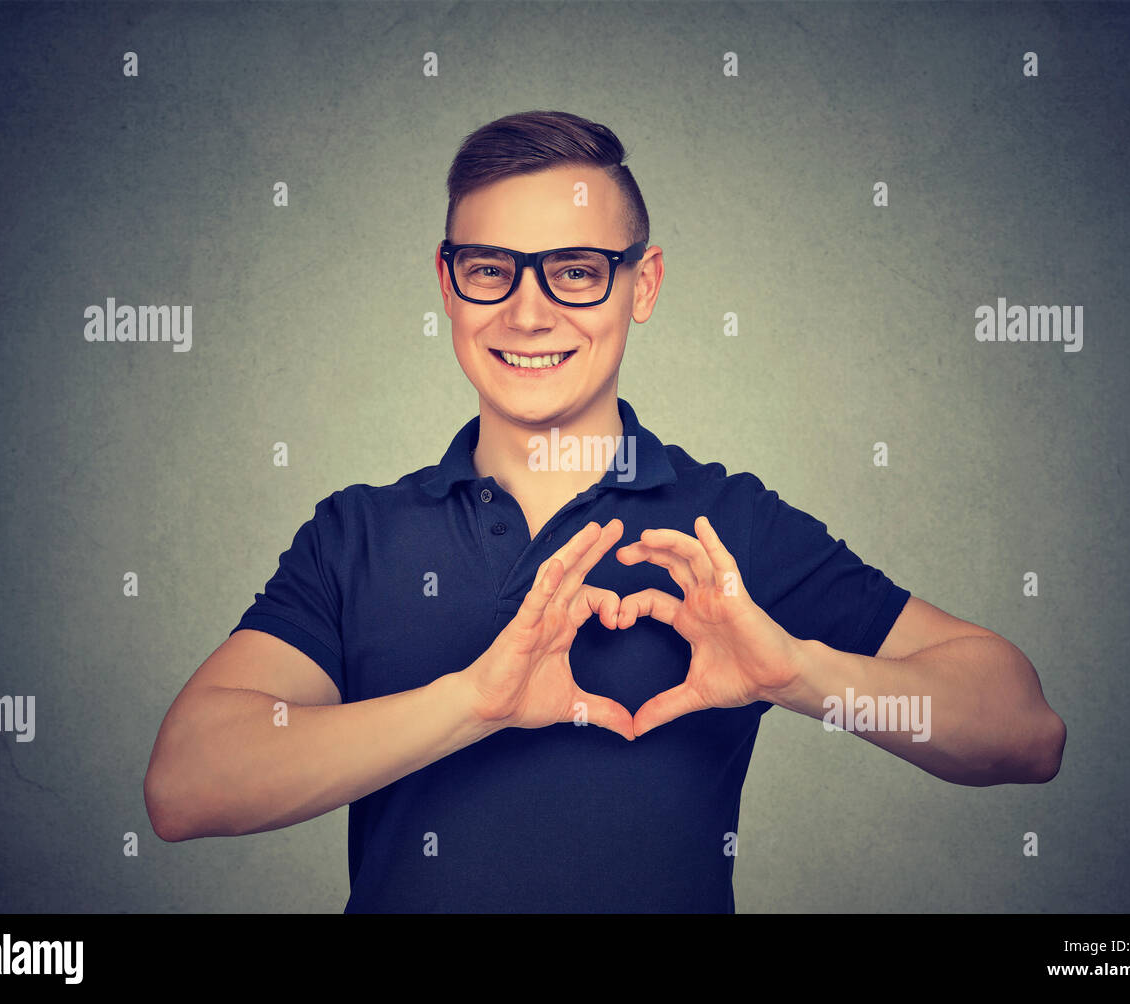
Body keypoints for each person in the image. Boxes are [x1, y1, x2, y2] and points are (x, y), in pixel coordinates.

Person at [144, 110, 1066, 913]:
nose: (529, 313)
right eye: (491, 269)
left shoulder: (724, 528)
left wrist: (800, 675)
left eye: (577, 271)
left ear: (643, 284)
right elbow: (187, 786)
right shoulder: (357, 537)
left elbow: (1024, 733)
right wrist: (472, 703)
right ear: (447, 284)